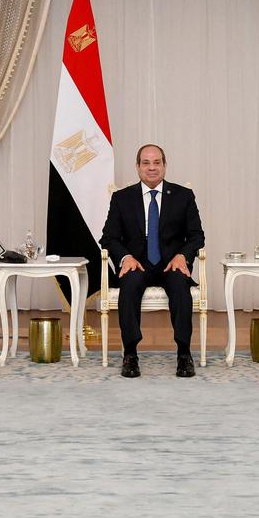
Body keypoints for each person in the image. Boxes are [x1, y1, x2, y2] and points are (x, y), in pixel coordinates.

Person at [100, 143, 205, 378]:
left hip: (171, 264)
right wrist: (125, 257)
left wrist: (183, 256)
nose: (152, 168)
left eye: (157, 162)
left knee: (180, 286)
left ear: (165, 166)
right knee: (129, 284)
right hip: (138, 263)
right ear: (137, 167)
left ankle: (184, 354)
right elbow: (108, 237)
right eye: (146, 163)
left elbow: (197, 236)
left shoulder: (183, 196)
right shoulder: (122, 198)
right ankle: (130, 354)